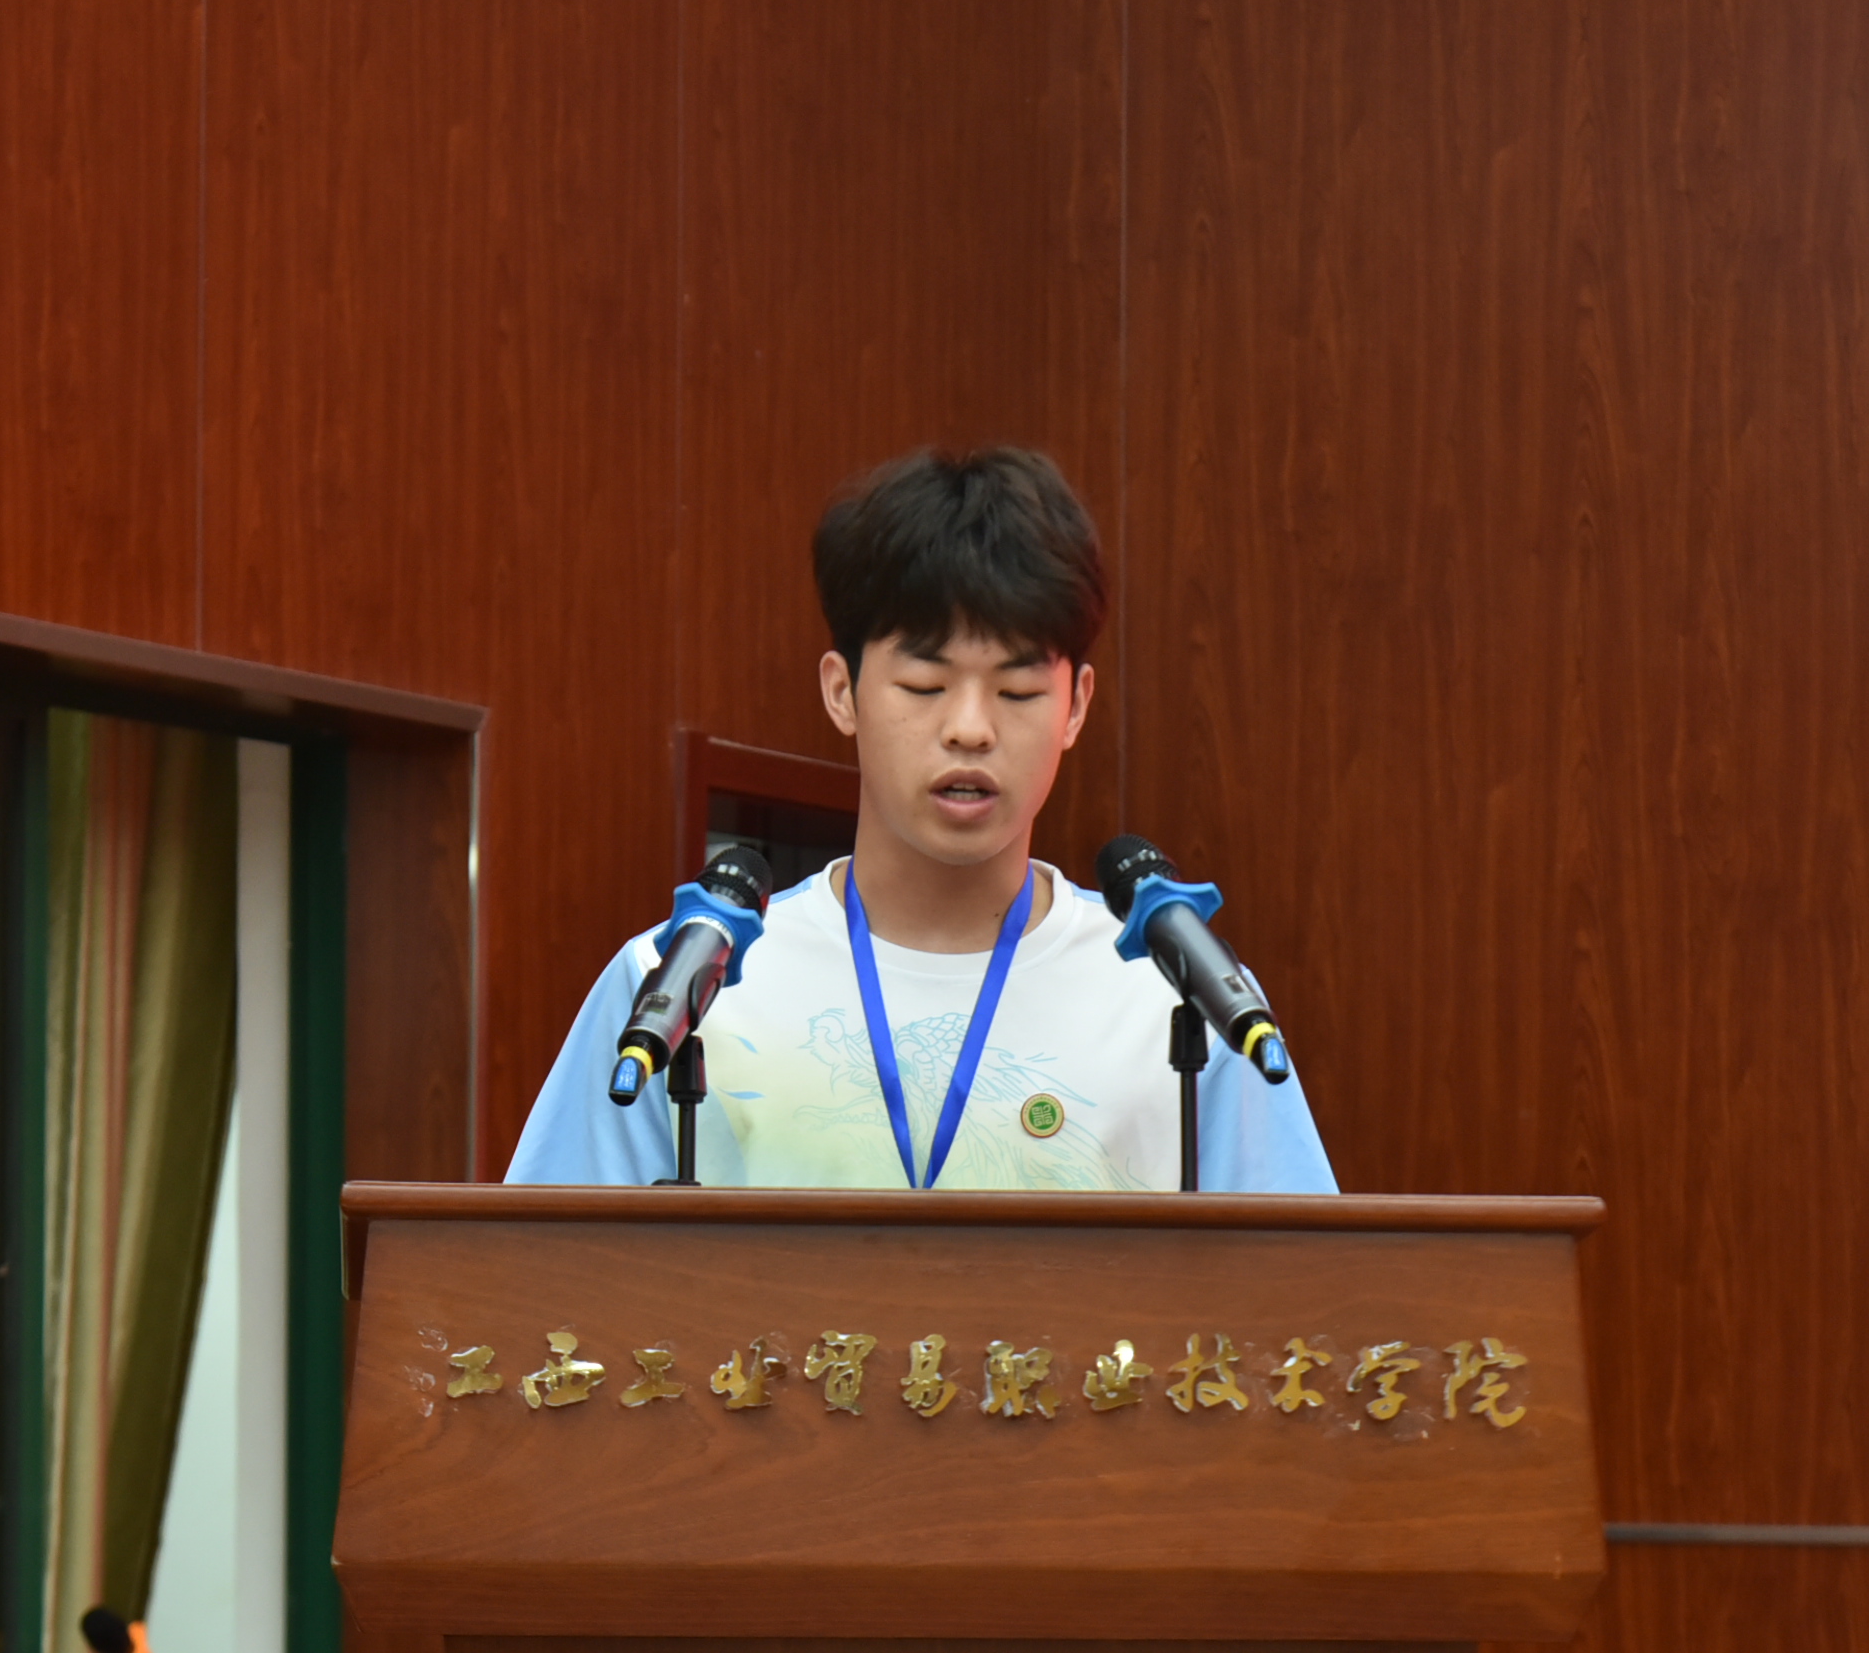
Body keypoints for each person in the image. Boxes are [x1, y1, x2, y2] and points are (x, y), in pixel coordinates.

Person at [506, 445, 1335, 1192]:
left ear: (1077, 706)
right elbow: (545, 1286)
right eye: (925, 686)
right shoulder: (677, 987)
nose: (970, 728)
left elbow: (1300, 1293)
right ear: (843, 692)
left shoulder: (1182, 994)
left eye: (1018, 691)